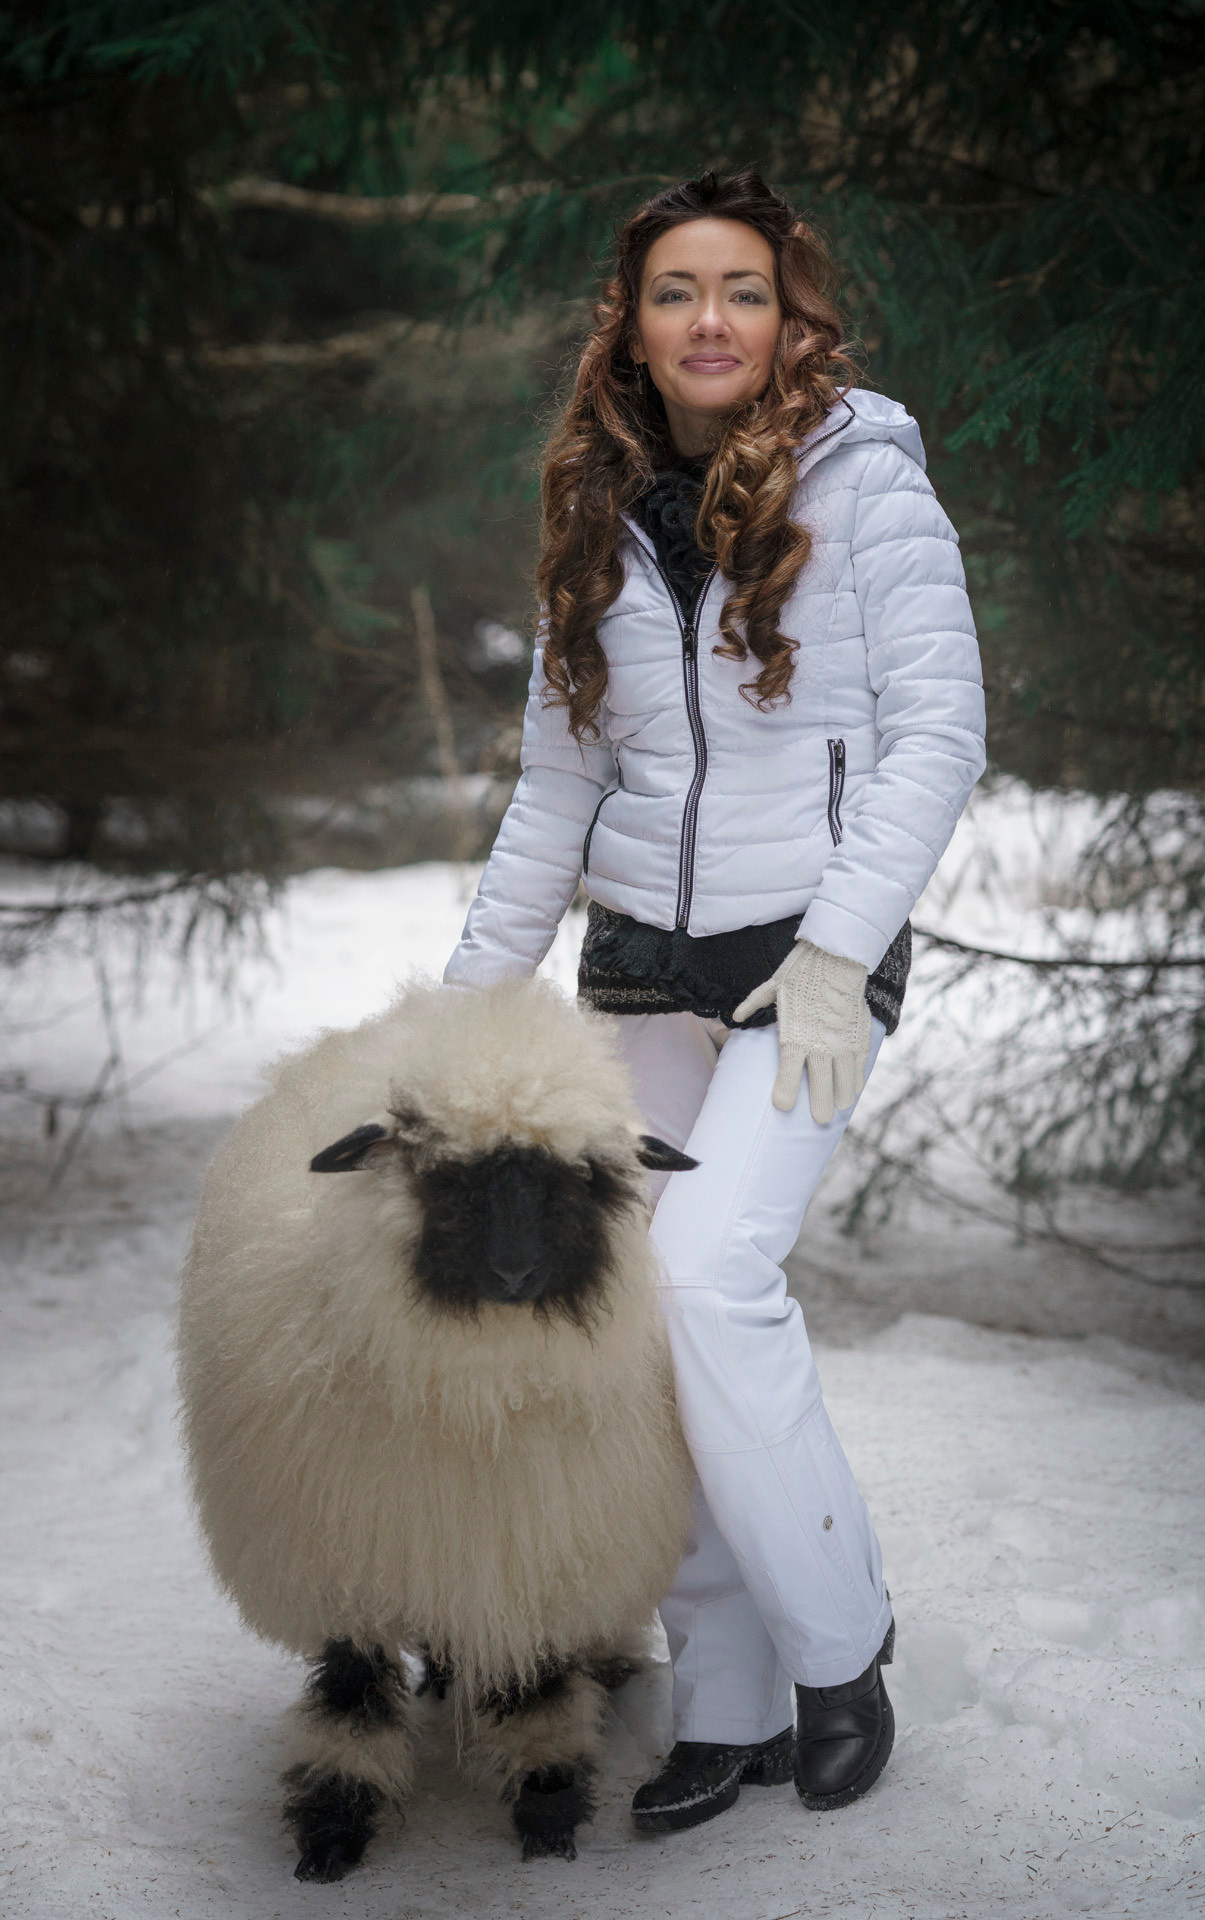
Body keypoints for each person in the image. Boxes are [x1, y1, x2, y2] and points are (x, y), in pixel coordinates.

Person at [443, 169, 985, 1832]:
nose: (709, 322)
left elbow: (935, 740)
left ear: (787, 310)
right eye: (677, 291)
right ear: (634, 318)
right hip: (641, 967)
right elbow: (552, 795)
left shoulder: (868, 487)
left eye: (740, 290)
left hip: (806, 970)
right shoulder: (594, 506)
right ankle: (729, 1697)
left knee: (708, 1278)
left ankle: (840, 1648)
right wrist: (457, 1017)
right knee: (623, 1312)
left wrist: (833, 956)